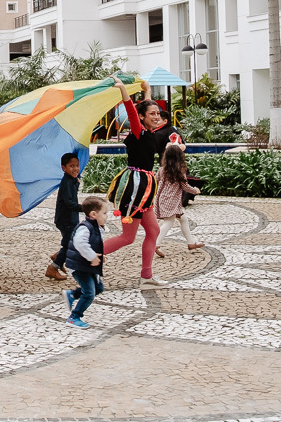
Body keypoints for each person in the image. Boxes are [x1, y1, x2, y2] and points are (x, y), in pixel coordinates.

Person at [102, 76, 183, 289]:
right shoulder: (138, 131)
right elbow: (132, 111)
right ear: (142, 117)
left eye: (158, 113)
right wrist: (123, 91)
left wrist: (147, 91)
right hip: (136, 187)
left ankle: (146, 276)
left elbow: (142, 110)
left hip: (144, 188)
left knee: (153, 231)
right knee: (127, 237)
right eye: (152, 114)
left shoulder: (148, 132)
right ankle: (88, 254)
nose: (157, 116)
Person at [63, 196, 111, 328]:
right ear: (93, 214)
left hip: (87, 265)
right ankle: (74, 317)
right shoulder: (85, 228)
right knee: (89, 293)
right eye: (104, 213)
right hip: (79, 266)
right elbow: (80, 243)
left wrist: (99, 256)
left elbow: (93, 244)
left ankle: (72, 294)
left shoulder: (97, 227)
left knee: (98, 288)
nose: (107, 216)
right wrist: (92, 256)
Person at [154, 143, 204, 257]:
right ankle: (156, 244)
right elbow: (185, 186)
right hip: (171, 201)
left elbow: (155, 181)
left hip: (163, 199)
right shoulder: (179, 171)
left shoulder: (162, 170)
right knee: (169, 222)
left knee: (183, 219)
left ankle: (191, 243)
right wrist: (195, 190)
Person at [46, 152, 82, 280]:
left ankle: (58, 256)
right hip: (66, 220)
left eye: (77, 166)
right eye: (71, 166)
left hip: (70, 219)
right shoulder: (67, 182)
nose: (75, 169)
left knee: (70, 242)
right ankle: (53, 267)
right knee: (70, 245)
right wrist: (84, 208)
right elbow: (69, 203)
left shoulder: (72, 180)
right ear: (63, 168)